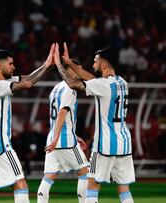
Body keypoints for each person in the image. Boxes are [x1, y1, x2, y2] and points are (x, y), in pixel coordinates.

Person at [0, 44, 55, 203]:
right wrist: (47, 64)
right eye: (10, 64)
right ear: (0, 65)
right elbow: (27, 84)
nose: (14, 67)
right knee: (20, 184)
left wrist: (45, 66)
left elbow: (26, 78)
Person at [54, 42, 135, 203]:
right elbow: (92, 78)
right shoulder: (122, 83)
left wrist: (59, 64)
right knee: (124, 190)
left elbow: (72, 84)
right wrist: (70, 63)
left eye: (95, 61)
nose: (93, 64)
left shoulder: (102, 85)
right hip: (124, 144)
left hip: (105, 145)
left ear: (103, 64)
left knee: (92, 185)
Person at [37, 57, 89, 203]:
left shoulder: (56, 88)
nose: (79, 72)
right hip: (64, 139)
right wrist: (58, 138)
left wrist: (72, 135)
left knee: (49, 176)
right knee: (85, 171)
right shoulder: (70, 88)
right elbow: (61, 113)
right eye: (77, 69)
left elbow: (60, 118)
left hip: (54, 137)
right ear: (70, 70)